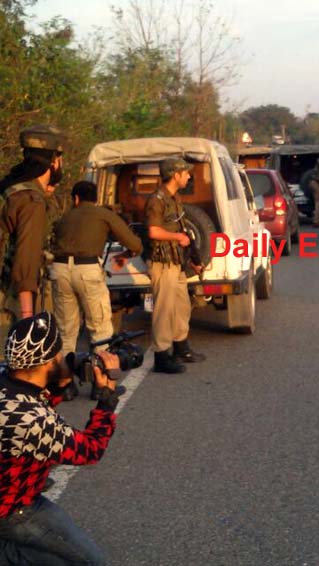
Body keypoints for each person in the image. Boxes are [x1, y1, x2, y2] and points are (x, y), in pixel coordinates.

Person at [0, 311, 121, 564]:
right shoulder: (31, 419)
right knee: (91, 561)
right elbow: (90, 450)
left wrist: (61, 381)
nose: (62, 357)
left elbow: (30, 398)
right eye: (58, 354)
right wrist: (107, 398)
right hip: (13, 510)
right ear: (48, 362)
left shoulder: (7, 380)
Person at [50, 181, 143, 355]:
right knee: (100, 330)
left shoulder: (65, 217)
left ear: (76, 199)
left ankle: (64, 370)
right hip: (87, 269)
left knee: (65, 331)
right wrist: (127, 254)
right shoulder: (103, 214)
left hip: (59, 269)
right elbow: (135, 244)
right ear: (95, 199)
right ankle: (100, 369)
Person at [145, 157, 205, 374]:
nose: (188, 176)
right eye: (185, 172)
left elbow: (180, 230)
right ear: (175, 175)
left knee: (182, 305)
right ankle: (161, 355)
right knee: (164, 309)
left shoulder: (174, 198)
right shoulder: (157, 199)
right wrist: (178, 237)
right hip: (162, 263)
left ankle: (181, 347)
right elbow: (153, 231)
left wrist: (192, 260)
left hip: (176, 261)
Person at [0, 125, 65, 321]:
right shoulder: (32, 200)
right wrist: (27, 315)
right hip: (13, 296)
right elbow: (26, 258)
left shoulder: (11, 190)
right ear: (54, 162)